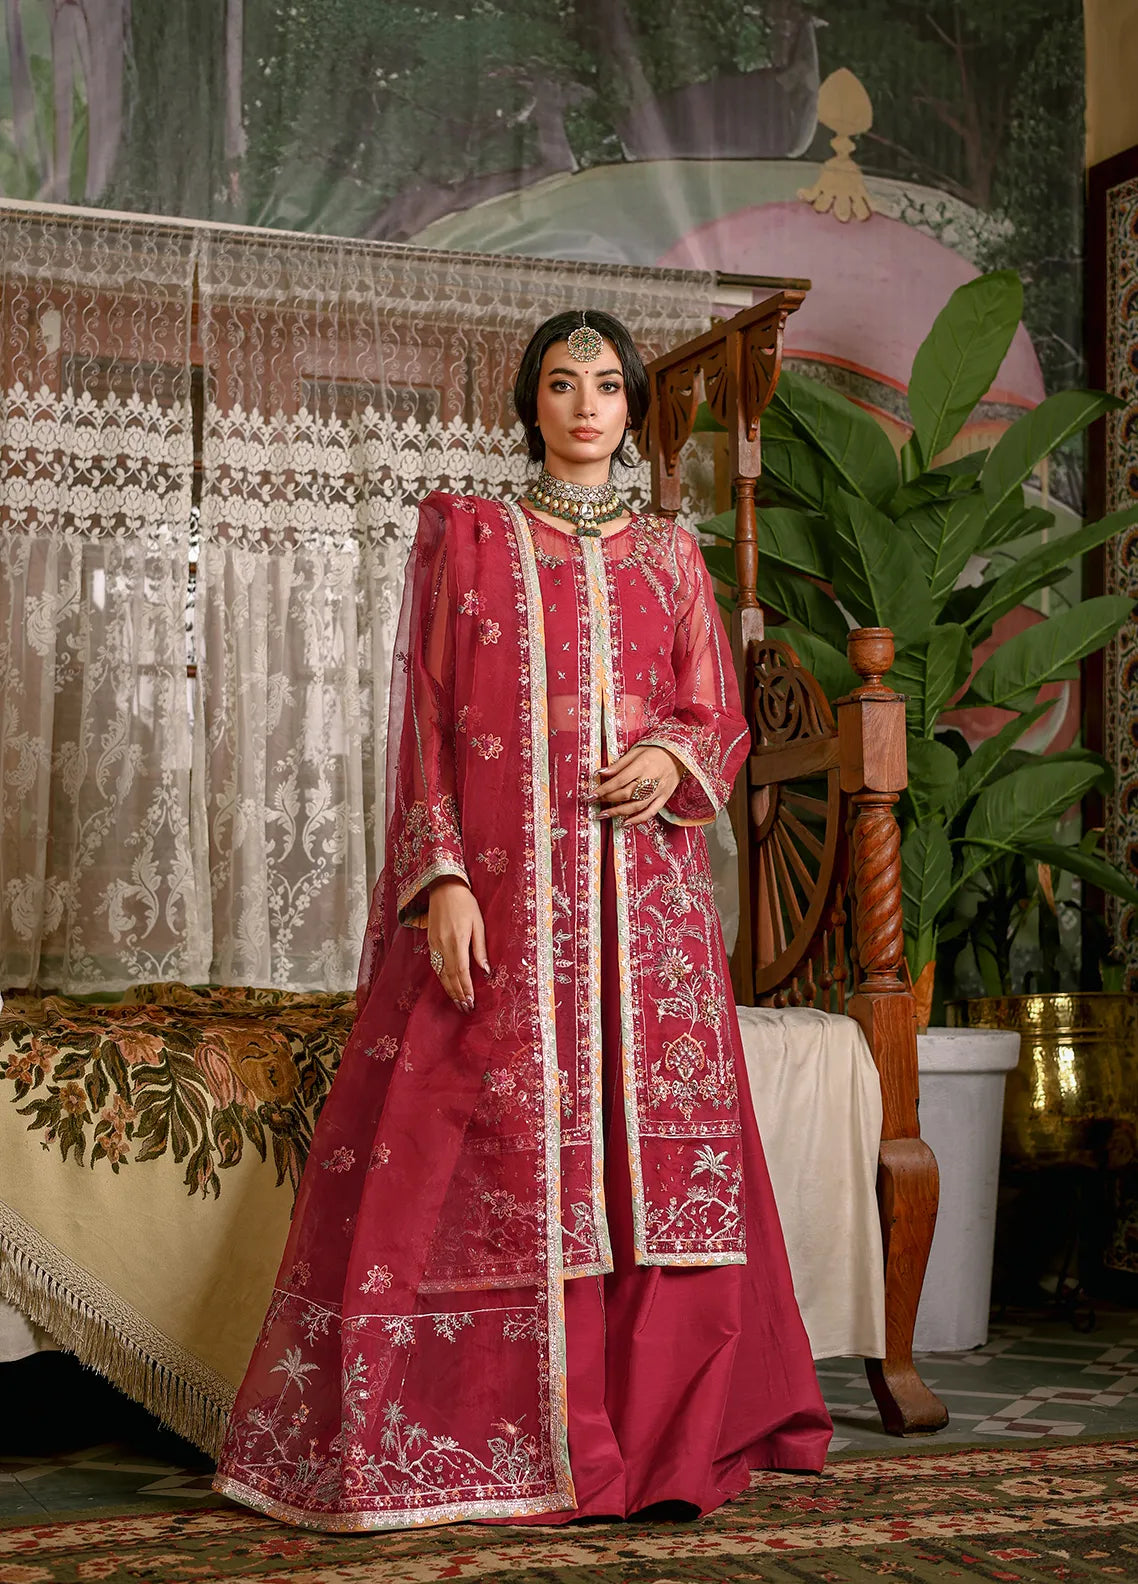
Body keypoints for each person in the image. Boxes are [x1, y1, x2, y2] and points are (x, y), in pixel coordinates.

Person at [212, 308, 831, 1532]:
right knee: (480, 1130)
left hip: (646, 913)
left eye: (606, 385)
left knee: (654, 1159)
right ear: (529, 402)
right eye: (561, 383)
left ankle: (660, 1445)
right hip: (508, 898)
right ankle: (509, 1438)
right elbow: (428, 720)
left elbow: (716, 714)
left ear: (631, 406)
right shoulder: (473, 537)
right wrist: (440, 876)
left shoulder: (671, 553)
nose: (586, 405)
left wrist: (670, 757)